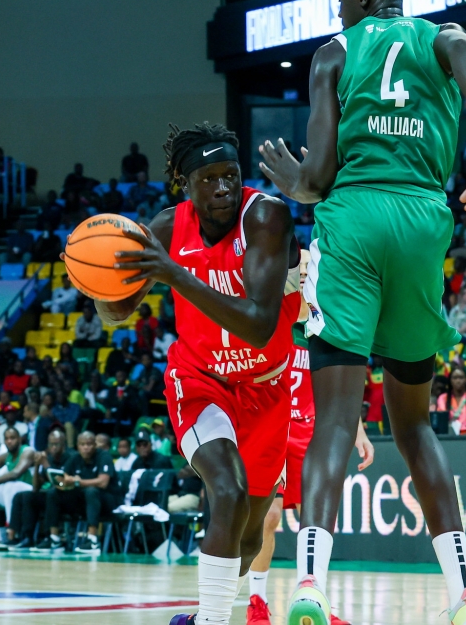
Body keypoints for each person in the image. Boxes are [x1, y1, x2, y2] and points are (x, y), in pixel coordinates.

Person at [257, 0, 466, 619]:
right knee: (414, 424)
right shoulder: (438, 38)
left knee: (335, 421)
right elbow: (465, 49)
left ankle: (309, 585)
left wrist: (291, 182)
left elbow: (317, 178)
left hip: (355, 222)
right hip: (422, 223)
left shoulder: (334, 53)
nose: (337, 10)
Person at [98, 122, 309, 625]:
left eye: (230, 175)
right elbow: (116, 314)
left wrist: (174, 274)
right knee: (227, 492)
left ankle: (201, 616)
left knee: (250, 537)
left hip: (267, 386)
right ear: (185, 184)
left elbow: (259, 324)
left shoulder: (266, 216)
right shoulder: (167, 228)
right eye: (209, 179)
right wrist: (100, 281)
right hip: (200, 380)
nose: (223, 188)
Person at [247, 257, 375, 625]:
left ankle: (314, 599)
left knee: (315, 519)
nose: (303, 272)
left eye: (308, 267)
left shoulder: (325, 323)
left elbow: (340, 386)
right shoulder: (272, 317)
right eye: (298, 267)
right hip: (273, 427)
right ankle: (257, 601)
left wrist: (358, 429)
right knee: (269, 517)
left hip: (310, 431)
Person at [35, 431, 119, 555]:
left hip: (107, 501)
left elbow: (103, 482)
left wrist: (77, 482)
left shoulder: (104, 456)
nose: (86, 447)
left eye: (89, 444)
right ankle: (54, 539)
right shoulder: (75, 458)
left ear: (95, 445)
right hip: (85, 502)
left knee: (91, 491)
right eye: (82, 444)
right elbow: (63, 479)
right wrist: (63, 483)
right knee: (53, 493)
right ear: (77, 446)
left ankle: (93, 540)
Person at [9, 429, 75, 549]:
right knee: (24, 496)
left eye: (56, 444)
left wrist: (45, 465)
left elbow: (60, 484)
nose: (53, 447)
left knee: (51, 493)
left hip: (69, 498)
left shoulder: (72, 457)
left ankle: (51, 537)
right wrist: (37, 466)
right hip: (53, 498)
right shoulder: (49, 458)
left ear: (63, 444)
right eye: (51, 444)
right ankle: (23, 537)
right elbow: (35, 488)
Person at [436, 367, 466, 434]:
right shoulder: (443, 398)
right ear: (450, 380)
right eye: (455, 378)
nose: (458, 381)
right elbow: (441, 421)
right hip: (449, 436)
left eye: (461, 377)